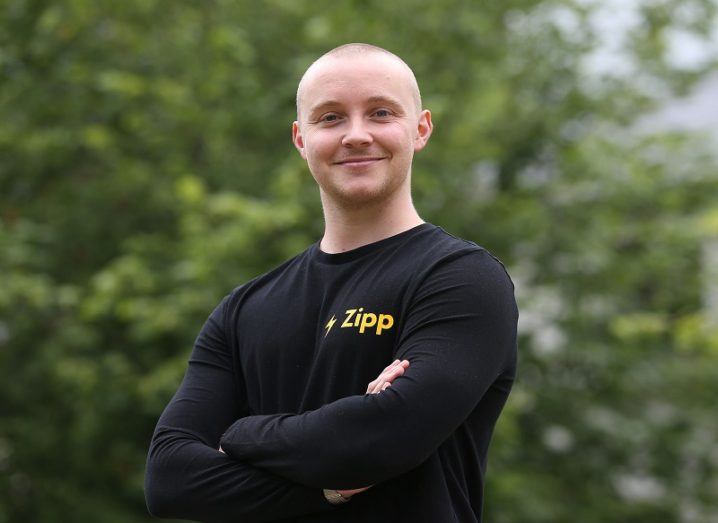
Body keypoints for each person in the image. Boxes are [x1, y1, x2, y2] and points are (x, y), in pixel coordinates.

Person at [144, 43, 518, 523]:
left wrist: (238, 434)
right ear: (301, 139)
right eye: (331, 118)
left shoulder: (460, 278)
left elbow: (383, 439)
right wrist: (329, 488)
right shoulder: (244, 308)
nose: (356, 135)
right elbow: (169, 480)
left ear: (420, 129)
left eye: (380, 112)